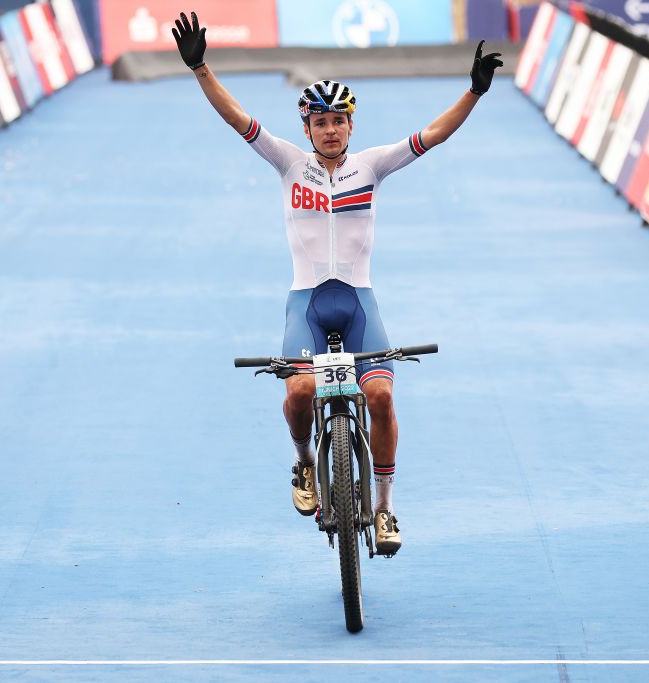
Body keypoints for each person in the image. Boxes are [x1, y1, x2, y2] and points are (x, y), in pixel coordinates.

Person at [172, 11, 502, 556]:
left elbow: (434, 136)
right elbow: (237, 119)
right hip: (306, 301)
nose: (330, 130)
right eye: (320, 122)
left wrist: (473, 92)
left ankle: (386, 506)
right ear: (306, 129)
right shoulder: (288, 164)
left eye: (338, 121)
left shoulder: (372, 166)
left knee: (380, 396)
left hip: (358, 303)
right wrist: (201, 67)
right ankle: (304, 464)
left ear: (351, 125)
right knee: (299, 389)